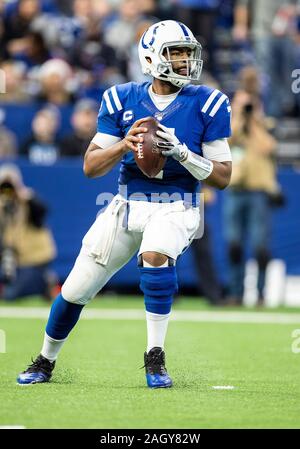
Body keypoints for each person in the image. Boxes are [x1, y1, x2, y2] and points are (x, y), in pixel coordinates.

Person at [17, 20, 232, 388]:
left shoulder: (209, 103)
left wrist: (181, 153)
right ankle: (45, 360)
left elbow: (223, 176)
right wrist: (123, 145)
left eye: (187, 52)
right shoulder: (121, 98)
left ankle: (154, 357)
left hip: (177, 204)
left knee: (156, 252)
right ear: (151, 58)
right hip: (127, 203)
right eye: (174, 52)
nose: (184, 60)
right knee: (75, 288)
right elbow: (90, 166)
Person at [224, 86, 279, 305]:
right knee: (234, 244)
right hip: (235, 191)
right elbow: (227, 141)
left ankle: (261, 293)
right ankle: (236, 293)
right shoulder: (230, 126)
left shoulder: (265, 126)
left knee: (260, 246)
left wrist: (254, 119)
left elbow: (268, 147)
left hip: (258, 193)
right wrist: (238, 116)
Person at [0, 164, 57, 301]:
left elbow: (43, 211)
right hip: (14, 261)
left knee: (10, 295)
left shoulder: (29, 200)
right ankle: (42, 283)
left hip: (35, 260)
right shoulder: (2, 205)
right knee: (7, 287)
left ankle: (45, 282)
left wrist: (23, 194)